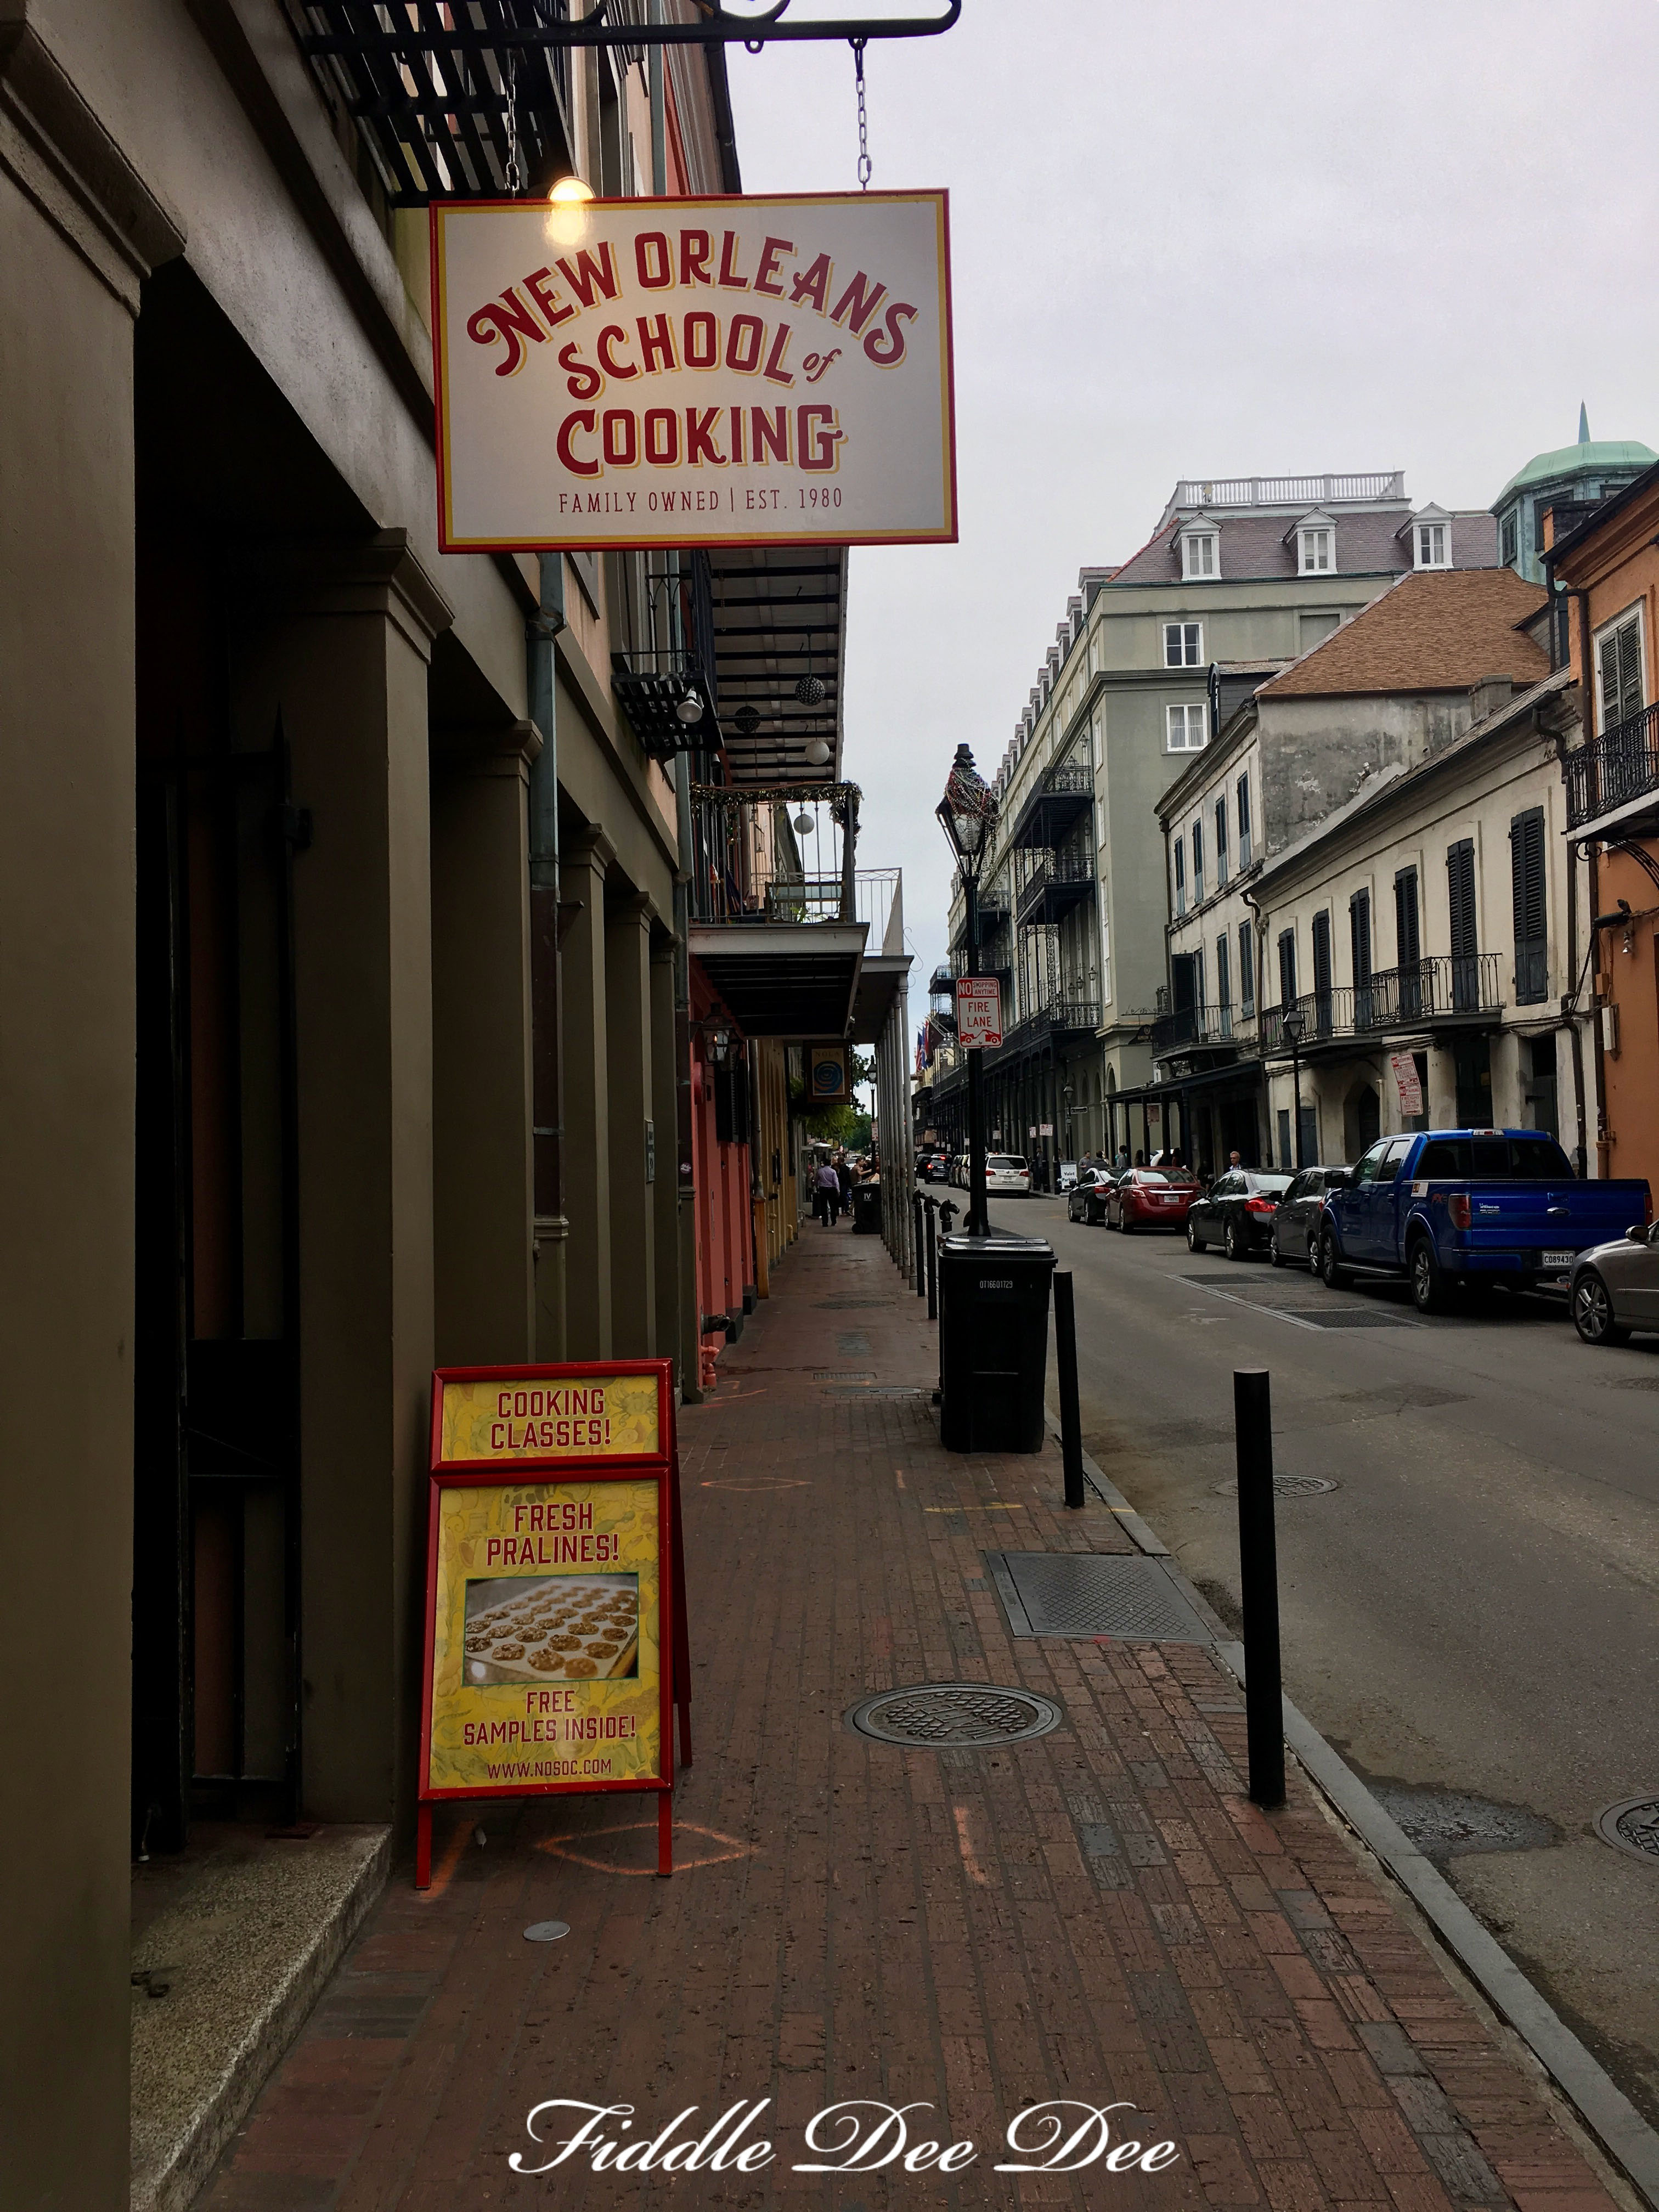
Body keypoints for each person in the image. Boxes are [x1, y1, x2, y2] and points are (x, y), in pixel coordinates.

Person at [814, 1156, 841, 1227]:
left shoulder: (820, 1171)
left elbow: (816, 1180)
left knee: (823, 1206)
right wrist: (838, 1190)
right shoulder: (833, 1171)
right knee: (833, 1206)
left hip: (823, 1189)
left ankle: (825, 1222)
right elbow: (836, 1182)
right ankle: (833, 1221)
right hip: (832, 1189)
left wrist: (817, 1187)